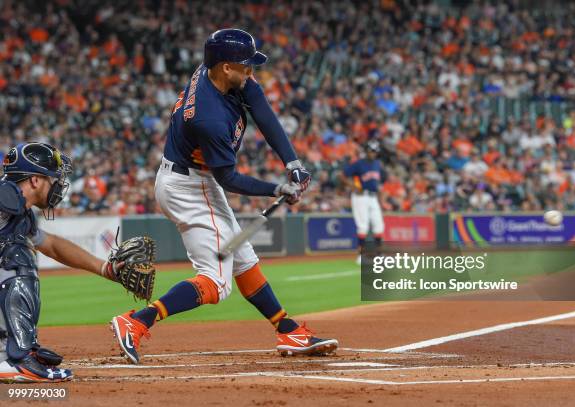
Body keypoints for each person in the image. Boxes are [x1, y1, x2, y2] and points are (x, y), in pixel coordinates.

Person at [110, 28, 338, 364]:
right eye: (246, 65)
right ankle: (137, 321)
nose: (252, 71)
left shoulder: (216, 72)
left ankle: (288, 329)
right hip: (189, 186)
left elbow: (261, 110)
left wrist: (293, 163)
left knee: (244, 260)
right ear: (226, 67)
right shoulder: (209, 116)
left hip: (191, 178)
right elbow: (228, 177)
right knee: (216, 283)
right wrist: (276, 188)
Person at [0, 143, 127, 382]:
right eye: (53, 178)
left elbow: (53, 246)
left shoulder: (19, 211)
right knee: (15, 254)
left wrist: (105, 268)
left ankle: (14, 348)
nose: (58, 185)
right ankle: (15, 359)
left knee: (16, 249)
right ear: (35, 181)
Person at [342, 140, 386, 265]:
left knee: (379, 226)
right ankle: (360, 256)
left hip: (373, 197)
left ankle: (379, 255)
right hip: (360, 197)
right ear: (366, 151)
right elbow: (343, 175)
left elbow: (377, 183)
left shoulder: (377, 164)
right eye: (371, 151)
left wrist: (380, 198)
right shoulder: (359, 164)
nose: (373, 153)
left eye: (375, 151)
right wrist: (352, 186)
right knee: (363, 227)